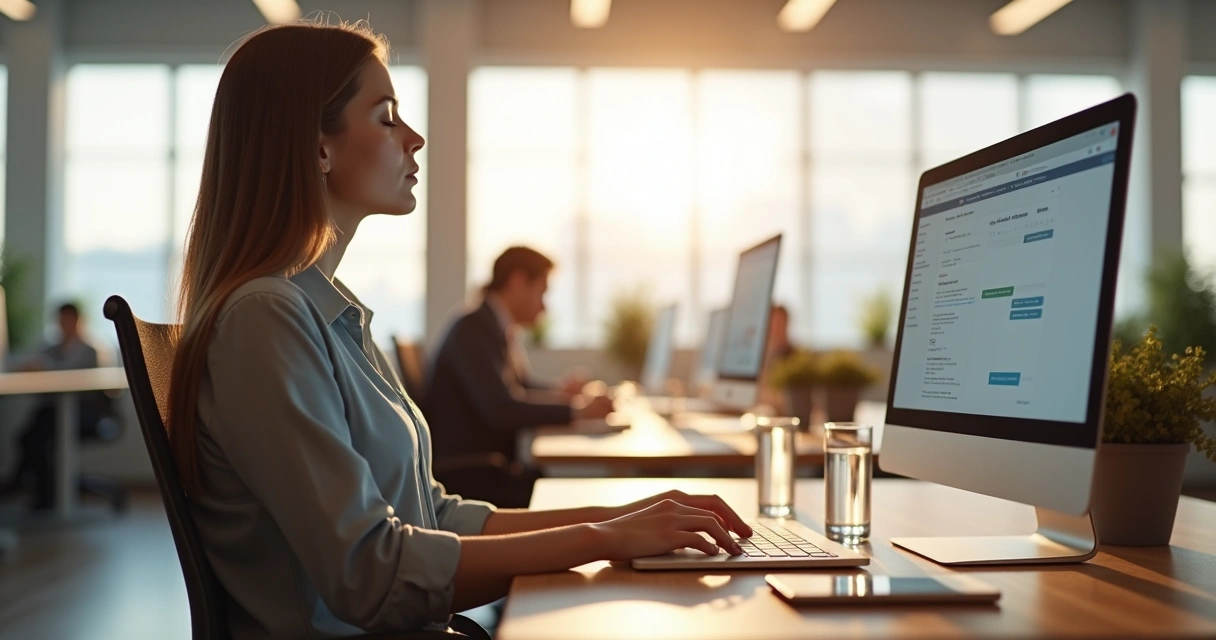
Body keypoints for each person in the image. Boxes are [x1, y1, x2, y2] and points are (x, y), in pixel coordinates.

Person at [167, 21, 751, 640]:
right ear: (319, 148)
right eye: (387, 116)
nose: (415, 138)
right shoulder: (266, 319)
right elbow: (371, 574)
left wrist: (626, 517)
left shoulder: (330, 314)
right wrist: (599, 538)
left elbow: (435, 515)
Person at [424, 247, 611, 506]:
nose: (544, 306)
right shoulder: (473, 330)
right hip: (473, 477)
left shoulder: (491, 327)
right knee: (565, 493)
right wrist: (577, 411)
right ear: (518, 281)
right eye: (542, 291)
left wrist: (562, 394)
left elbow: (518, 388)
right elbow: (501, 408)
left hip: (486, 467)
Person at [2, 303, 117, 510]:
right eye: (61, 320)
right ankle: (38, 489)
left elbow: (84, 383)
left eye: (68, 319)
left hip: (87, 413)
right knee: (30, 435)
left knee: (39, 431)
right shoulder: (51, 348)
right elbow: (34, 364)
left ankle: (29, 488)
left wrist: (47, 366)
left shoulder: (92, 350)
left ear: (79, 320)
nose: (64, 324)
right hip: (54, 412)